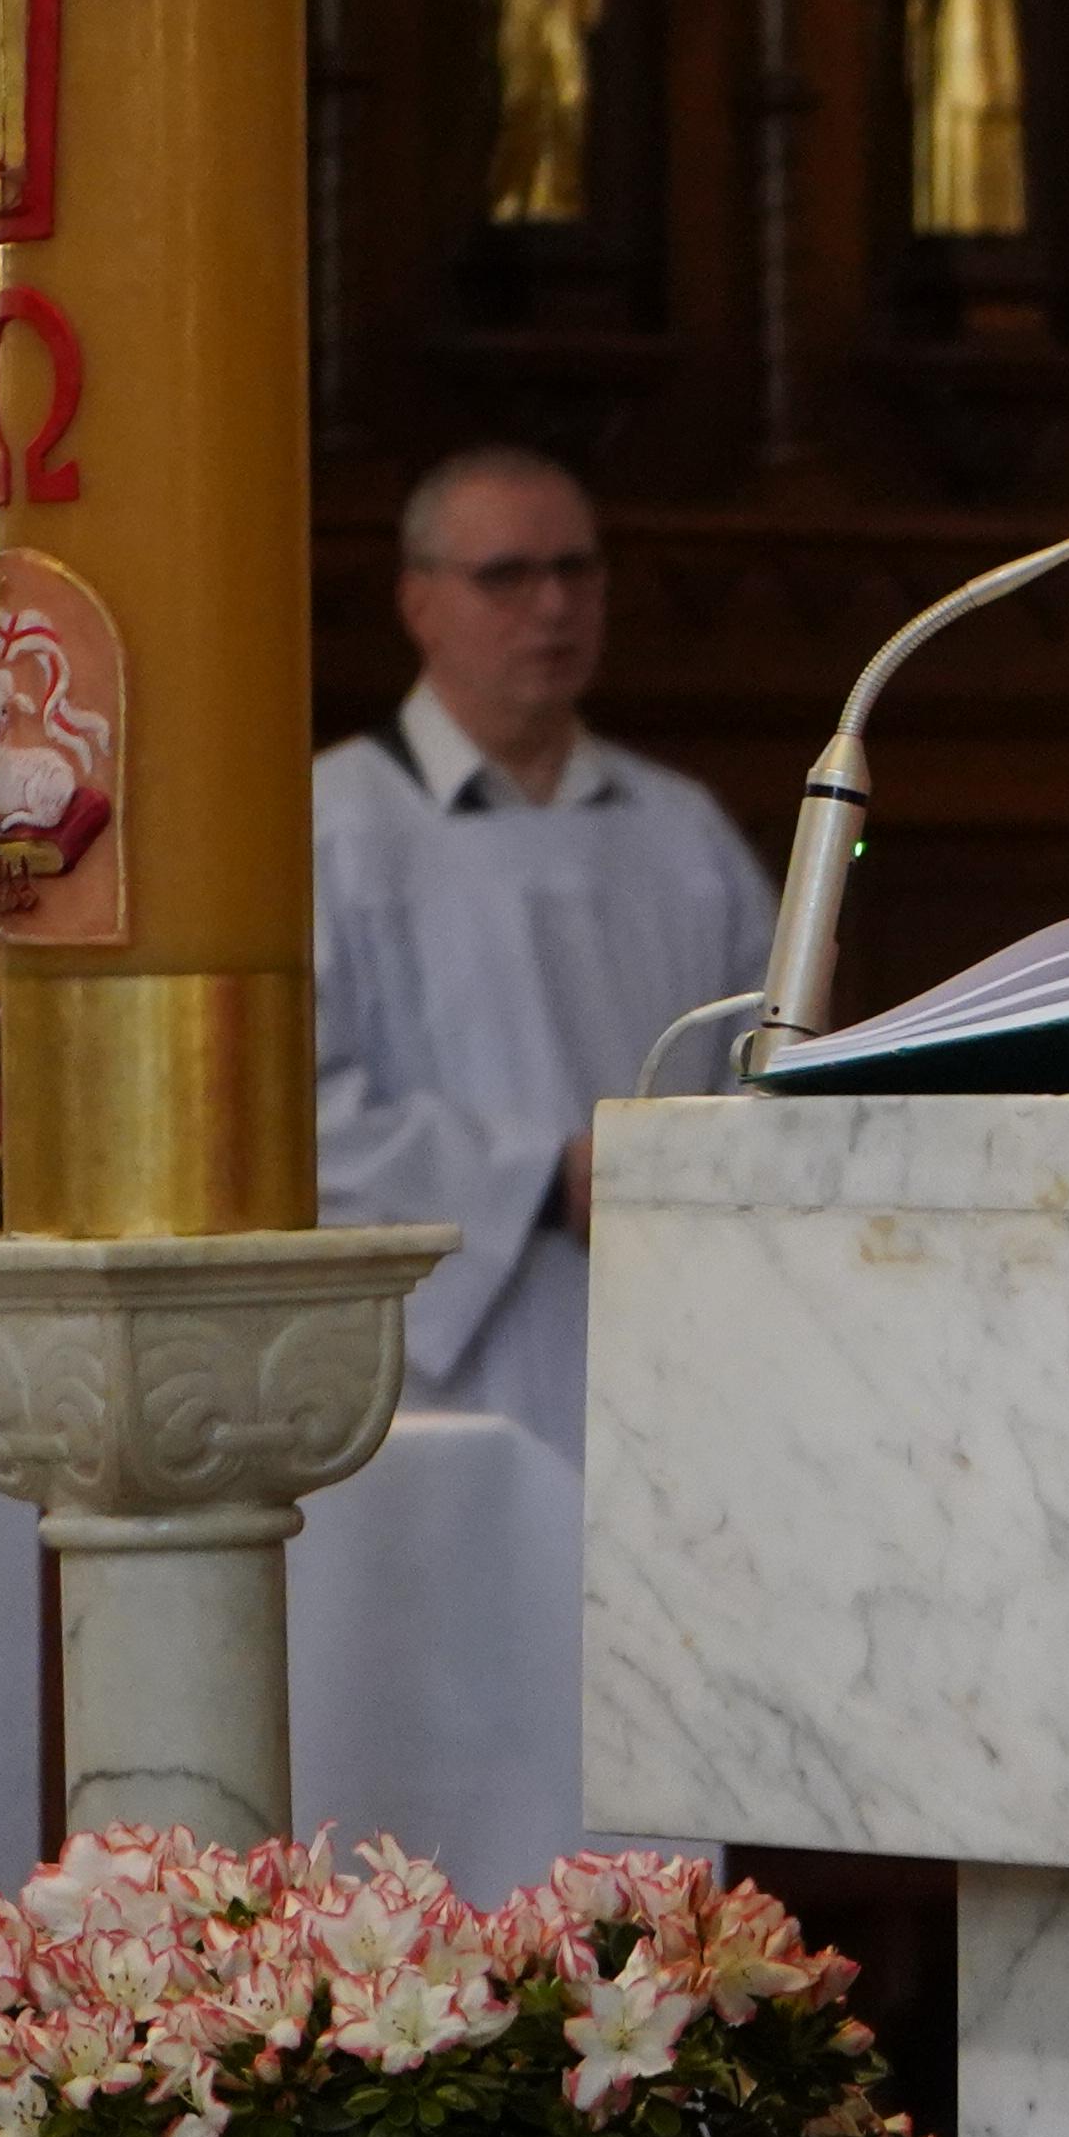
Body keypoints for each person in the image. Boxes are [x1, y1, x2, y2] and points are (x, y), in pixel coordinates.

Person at [315, 446, 770, 1473]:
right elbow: (287, 1118)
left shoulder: (682, 830)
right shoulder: (330, 827)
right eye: (506, 577)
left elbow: (774, 1059)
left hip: (675, 1341)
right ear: (419, 602)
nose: (553, 606)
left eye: (576, 570)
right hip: (429, 1376)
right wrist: (537, 1178)